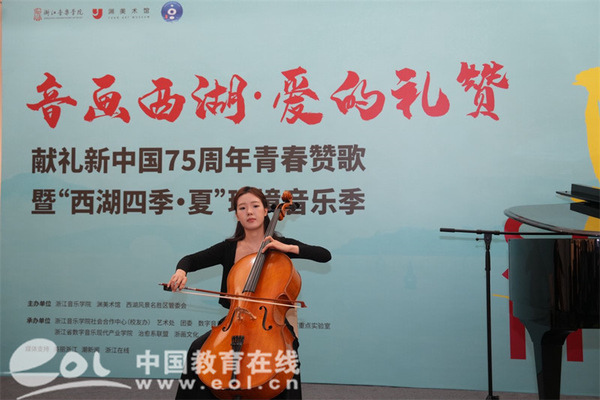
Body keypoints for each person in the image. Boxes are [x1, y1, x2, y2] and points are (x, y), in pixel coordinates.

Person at [167, 186, 331, 399]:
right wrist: (181, 271)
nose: (249, 212)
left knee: (286, 358)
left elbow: (324, 255)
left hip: (272, 324)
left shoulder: (280, 245)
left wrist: (287, 248)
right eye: (242, 208)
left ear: (265, 211)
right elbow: (191, 260)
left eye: (255, 206)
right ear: (237, 215)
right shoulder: (228, 248)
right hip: (235, 320)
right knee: (197, 349)